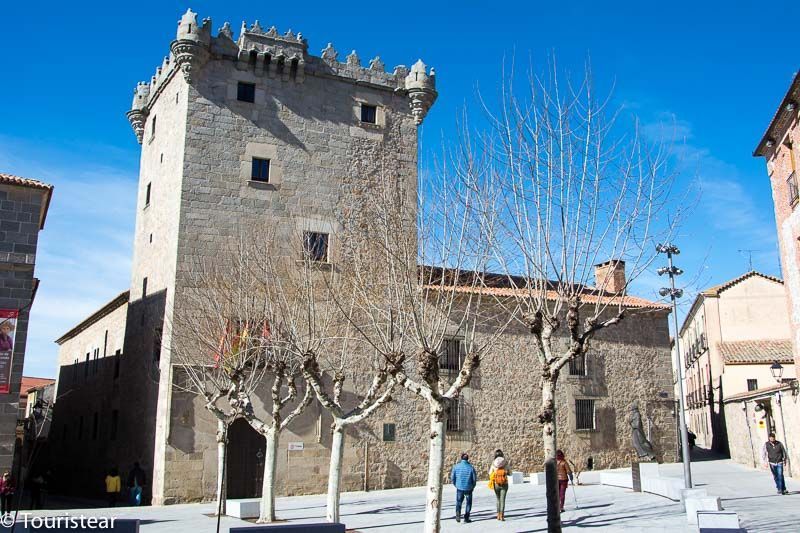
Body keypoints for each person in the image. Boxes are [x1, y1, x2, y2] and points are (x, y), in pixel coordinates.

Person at [450, 452, 476, 523]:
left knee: (459, 502)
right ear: (468, 459)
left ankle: (458, 514)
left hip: (459, 488)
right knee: (468, 503)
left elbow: (452, 477)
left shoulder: (456, 466)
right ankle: (466, 517)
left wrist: (455, 484)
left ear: (461, 458)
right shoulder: (471, 467)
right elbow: (474, 479)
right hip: (468, 488)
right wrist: (473, 486)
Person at [489, 449, 509, 521]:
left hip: (496, 483)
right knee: (502, 500)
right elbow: (510, 473)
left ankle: (498, 515)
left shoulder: (493, 463)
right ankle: (502, 516)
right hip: (504, 483)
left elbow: (490, 473)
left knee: (498, 499)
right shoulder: (505, 462)